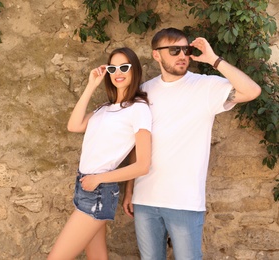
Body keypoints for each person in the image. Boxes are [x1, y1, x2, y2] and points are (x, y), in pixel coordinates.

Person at [122, 27, 261, 259]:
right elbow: (138, 146)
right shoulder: (144, 91)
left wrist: (214, 60)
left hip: (185, 202)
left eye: (185, 49)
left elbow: (252, 90)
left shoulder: (204, 86)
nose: (182, 55)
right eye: (174, 50)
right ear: (157, 54)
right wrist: (129, 190)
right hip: (145, 200)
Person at [47, 47, 152, 260]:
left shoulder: (138, 109)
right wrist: (91, 85)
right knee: (96, 256)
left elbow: (143, 165)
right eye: (113, 68)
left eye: (124, 67)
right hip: (86, 185)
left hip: (98, 189)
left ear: (134, 71)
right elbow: (74, 125)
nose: (118, 72)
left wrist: (98, 179)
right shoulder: (104, 108)